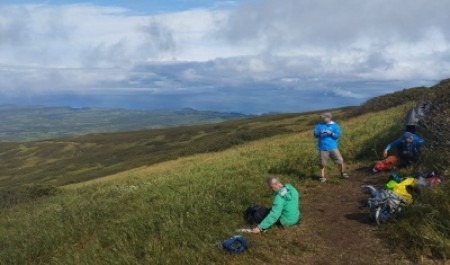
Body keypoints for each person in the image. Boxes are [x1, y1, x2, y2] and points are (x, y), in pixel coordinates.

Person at [313, 112, 349, 182]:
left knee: (340, 160)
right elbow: (315, 134)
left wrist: (331, 133)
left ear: (329, 118)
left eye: (324, 117)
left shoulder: (335, 126)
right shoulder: (320, 125)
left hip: (332, 147)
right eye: (323, 117)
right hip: (322, 147)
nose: (323, 118)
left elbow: (338, 135)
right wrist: (319, 133)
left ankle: (342, 173)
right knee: (322, 163)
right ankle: (322, 177)